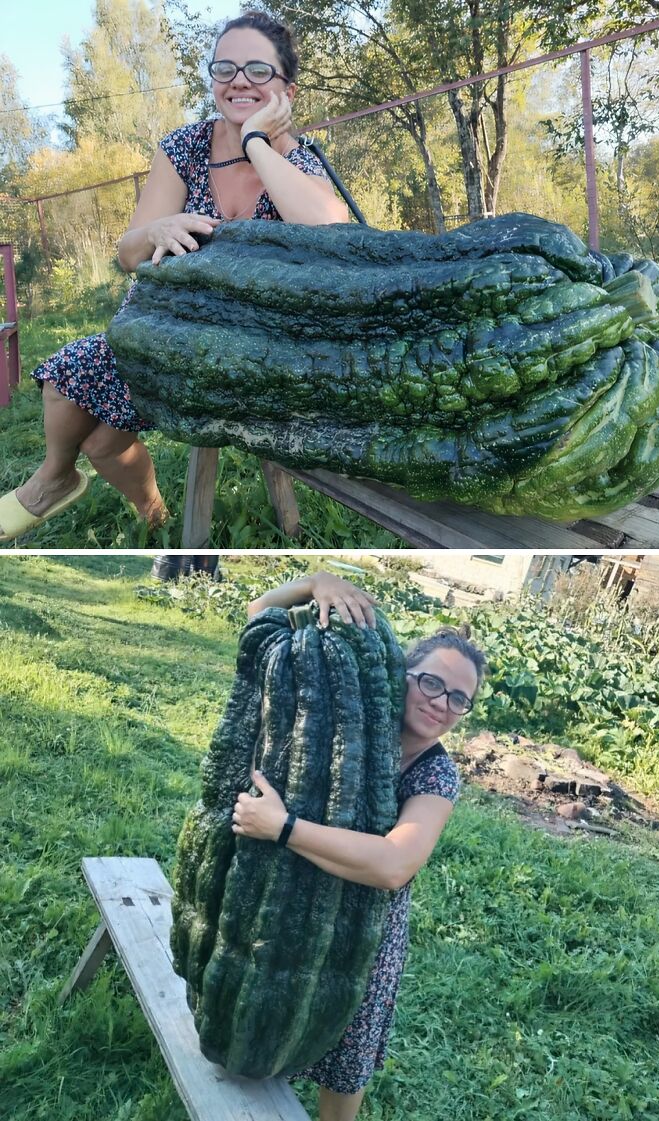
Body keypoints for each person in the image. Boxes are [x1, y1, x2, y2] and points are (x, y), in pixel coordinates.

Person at [0, 11, 348, 544]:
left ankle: (64, 484)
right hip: (164, 331)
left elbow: (330, 230)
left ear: (287, 90)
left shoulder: (297, 162)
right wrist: (157, 228)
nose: (239, 81)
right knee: (66, 388)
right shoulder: (184, 148)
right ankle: (96, 492)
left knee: (100, 440)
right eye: (225, 68)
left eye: (258, 70)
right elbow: (127, 254)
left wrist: (256, 141)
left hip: (247, 351)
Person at [233, 570, 487, 1121]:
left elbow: (396, 865)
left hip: (361, 927)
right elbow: (259, 619)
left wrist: (281, 826)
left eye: (460, 699)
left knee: (349, 1054)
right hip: (290, 892)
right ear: (403, 673)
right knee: (265, 1001)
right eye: (432, 683)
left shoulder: (435, 776)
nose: (442, 703)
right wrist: (315, 583)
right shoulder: (344, 707)